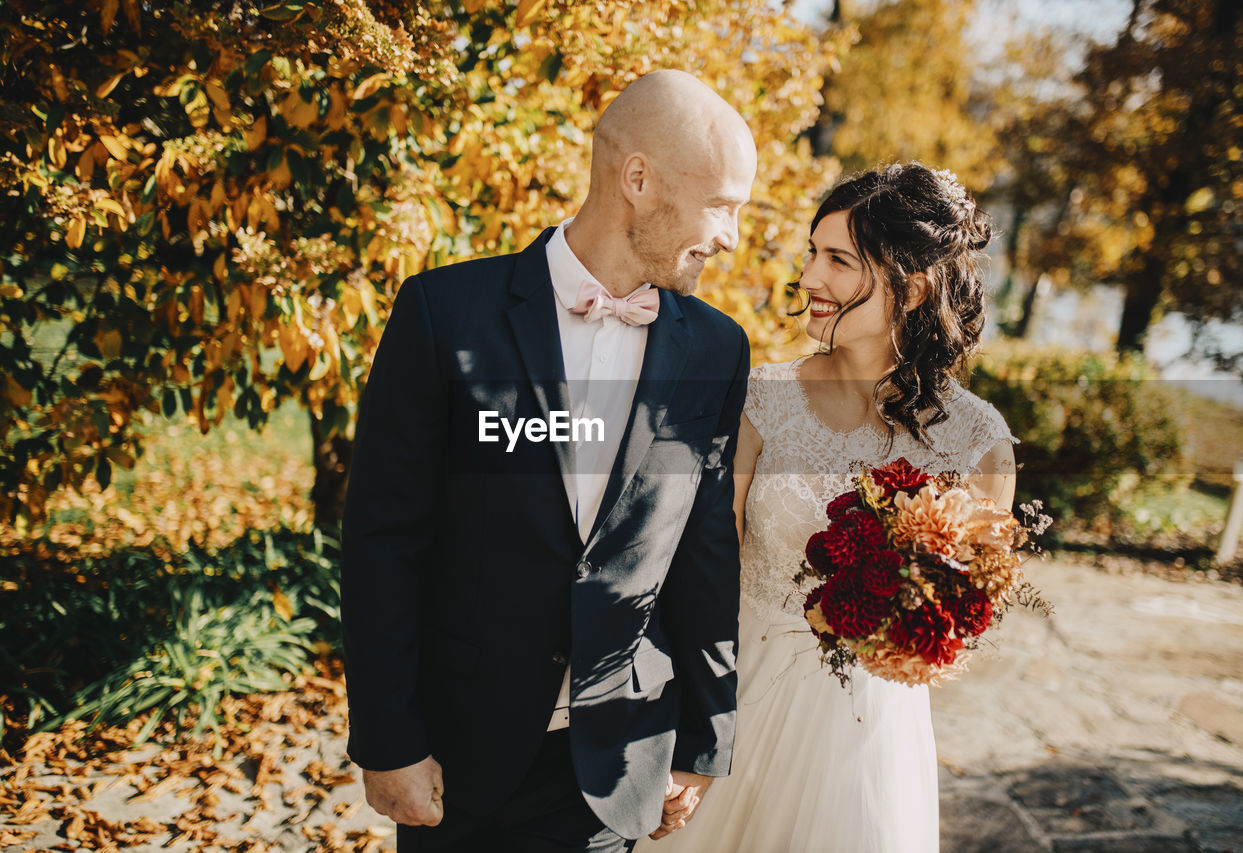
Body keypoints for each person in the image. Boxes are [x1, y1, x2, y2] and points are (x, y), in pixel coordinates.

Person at [339, 69, 758, 852]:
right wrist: (387, 739)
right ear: (637, 178)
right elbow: (382, 541)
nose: (732, 236)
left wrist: (705, 740)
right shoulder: (443, 313)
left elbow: (704, 549)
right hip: (460, 758)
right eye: (723, 205)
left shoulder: (716, 346)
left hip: (618, 764)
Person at [640, 163, 1017, 851]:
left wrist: (902, 620)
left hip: (867, 734)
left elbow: (963, 619)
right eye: (812, 253)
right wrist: (688, 731)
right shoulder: (758, 397)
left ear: (912, 285)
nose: (810, 277)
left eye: (838, 259)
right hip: (735, 697)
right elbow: (697, 575)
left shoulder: (980, 442)